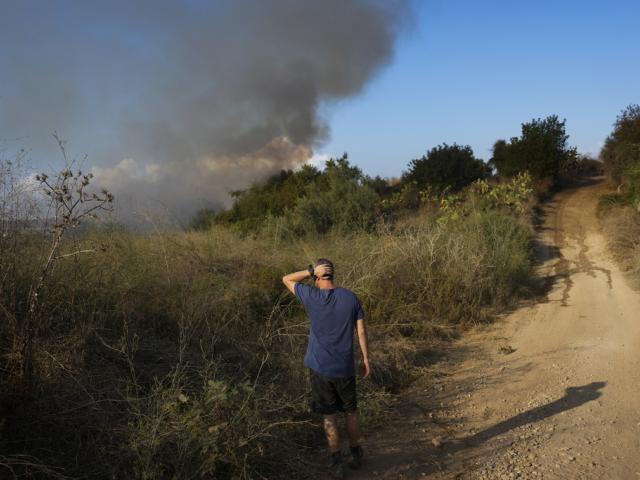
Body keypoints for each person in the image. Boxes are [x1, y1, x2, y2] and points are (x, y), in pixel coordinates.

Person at [282, 259, 371, 479]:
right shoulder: (351, 298)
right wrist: (367, 359)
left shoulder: (311, 296)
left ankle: (336, 461)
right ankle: (355, 453)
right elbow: (361, 331)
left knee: (329, 416)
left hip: (320, 368)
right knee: (351, 412)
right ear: (333, 275)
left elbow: (286, 279)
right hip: (345, 367)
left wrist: (310, 270)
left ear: (318, 276)